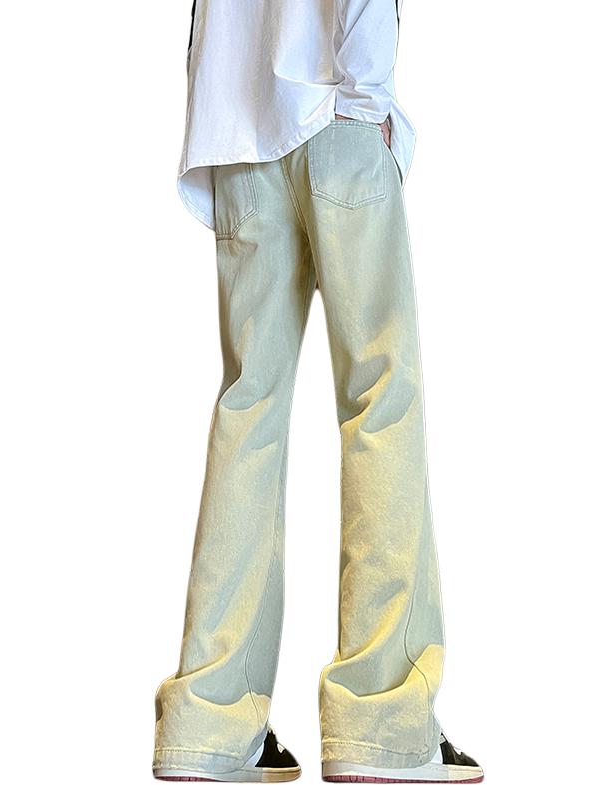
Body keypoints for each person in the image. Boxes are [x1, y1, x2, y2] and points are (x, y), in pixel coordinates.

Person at [152, 1, 484, 782]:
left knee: (249, 406)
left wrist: (211, 117)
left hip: (235, 126)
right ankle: (379, 719)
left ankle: (209, 722)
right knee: (380, 398)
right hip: (335, 107)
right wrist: (368, 92)